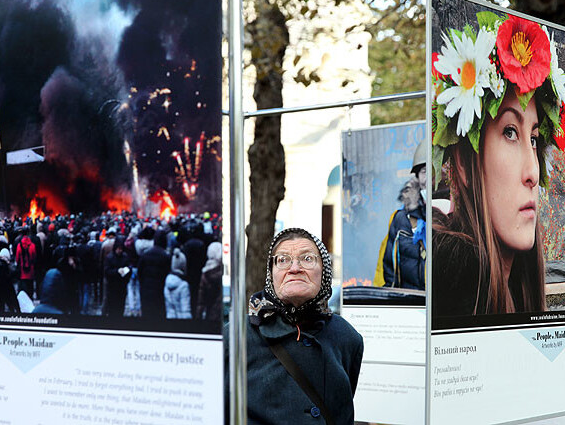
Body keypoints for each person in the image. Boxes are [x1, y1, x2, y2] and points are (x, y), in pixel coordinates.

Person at [430, 12, 565, 315]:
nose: (533, 173)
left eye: (533, 139)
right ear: (464, 164)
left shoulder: (517, 282)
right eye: (509, 132)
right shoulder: (457, 280)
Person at [226, 228, 363, 425]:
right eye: (282, 260)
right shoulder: (237, 336)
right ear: (271, 273)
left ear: (324, 271)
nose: (295, 268)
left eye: (307, 259)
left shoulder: (347, 337)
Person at [375, 138, 427, 290]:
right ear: (416, 177)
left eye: (433, 170)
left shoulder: (450, 214)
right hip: (410, 304)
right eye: (424, 171)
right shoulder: (401, 219)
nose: (428, 178)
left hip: (439, 308)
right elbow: (389, 268)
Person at [164, 247, 192, 319]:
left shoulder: (167, 283)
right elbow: (185, 310)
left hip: (169, 318)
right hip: (181, 323)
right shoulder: (184, 286)